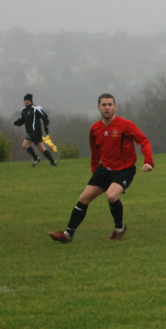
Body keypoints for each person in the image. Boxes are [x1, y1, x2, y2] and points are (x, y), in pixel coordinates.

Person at [47, 94, 154, 243]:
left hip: (124, 170)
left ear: (115, 106)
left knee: (111, 196)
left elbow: (144, 141)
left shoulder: (126, 125)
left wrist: (148, 161)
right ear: (99, 107)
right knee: (84, 198)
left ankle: (119, 229)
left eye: (110, 104)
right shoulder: (95, 128)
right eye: (104, 105)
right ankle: (67, 235)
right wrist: (95, 171)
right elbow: (95, 151)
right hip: (104, 170)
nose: (107, 107)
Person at [14, 94, 56, 167]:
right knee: (42, 149)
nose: (26, 102)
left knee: (25, 144)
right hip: (30, 131)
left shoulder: (36, 108)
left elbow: (44, 117)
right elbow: (24, 120)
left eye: (28, 101)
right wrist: (18, 122)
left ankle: (36, 158)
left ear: (31, 101)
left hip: (35, 131)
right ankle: (53, 162)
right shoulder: (23, 110)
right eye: (25, 101)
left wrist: (46, 126)